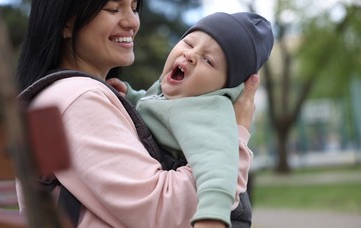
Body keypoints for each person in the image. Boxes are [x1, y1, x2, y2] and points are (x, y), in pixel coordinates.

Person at [15, 0, 261, 227]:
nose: (132, 22)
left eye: (134, 7)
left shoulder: (68, 96)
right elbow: (162, 212)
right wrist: (235, 135)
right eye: (113, 8)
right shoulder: (79, 100)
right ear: (66, 21)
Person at [107, 11, 274, 227]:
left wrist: (211, 217)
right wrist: (131, 96)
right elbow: (155, 106)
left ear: (225, 87)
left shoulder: (209, 112)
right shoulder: (173, 92)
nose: (191, 54)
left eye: (208, 60)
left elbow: (220, 167)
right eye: (188, 42)